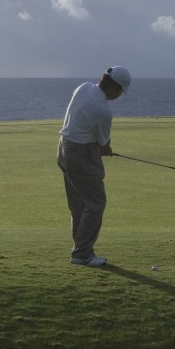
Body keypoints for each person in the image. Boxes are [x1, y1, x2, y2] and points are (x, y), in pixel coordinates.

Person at [57, 66, 130, 267]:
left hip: (64, 147)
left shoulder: (83, 87)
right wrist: (106, 149)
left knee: (79, 203)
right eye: (120, 91)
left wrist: (100, 146)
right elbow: (103, 144)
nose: (119, 95)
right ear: (114, 88)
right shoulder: (103, 111)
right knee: (95, 202)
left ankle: (81, 251)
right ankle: (82, 253)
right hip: (81, 153)